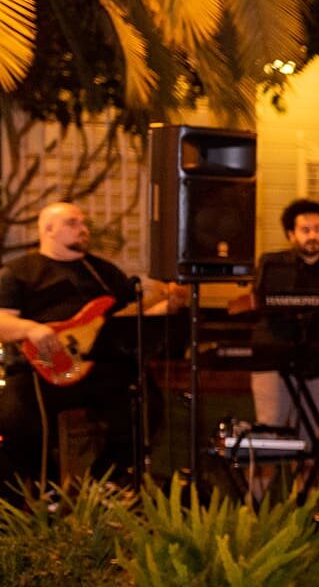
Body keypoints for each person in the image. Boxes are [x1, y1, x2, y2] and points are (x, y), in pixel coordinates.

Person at [0, 202, 185, 491]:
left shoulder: (103, 272)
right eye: (73, 223)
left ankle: (103, 482)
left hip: (101, 367)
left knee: (145, 406)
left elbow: (131, 315)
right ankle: (45, 489)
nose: (83, 230)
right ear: (48, 229)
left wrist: (169, 305)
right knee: (14, 417)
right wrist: (31, 329)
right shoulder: (19, 272)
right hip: (40, 369)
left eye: (84, 223)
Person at [248, 199, 319, 432]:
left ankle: (307, 468)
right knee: (269, 431)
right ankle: (267, 468)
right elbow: (261, 303)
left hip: (318, 359)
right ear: (291, 234)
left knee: (310, 433)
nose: (312, 236)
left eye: (318, 229)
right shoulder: (272, 264)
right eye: (305, 230)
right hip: (275, 356)